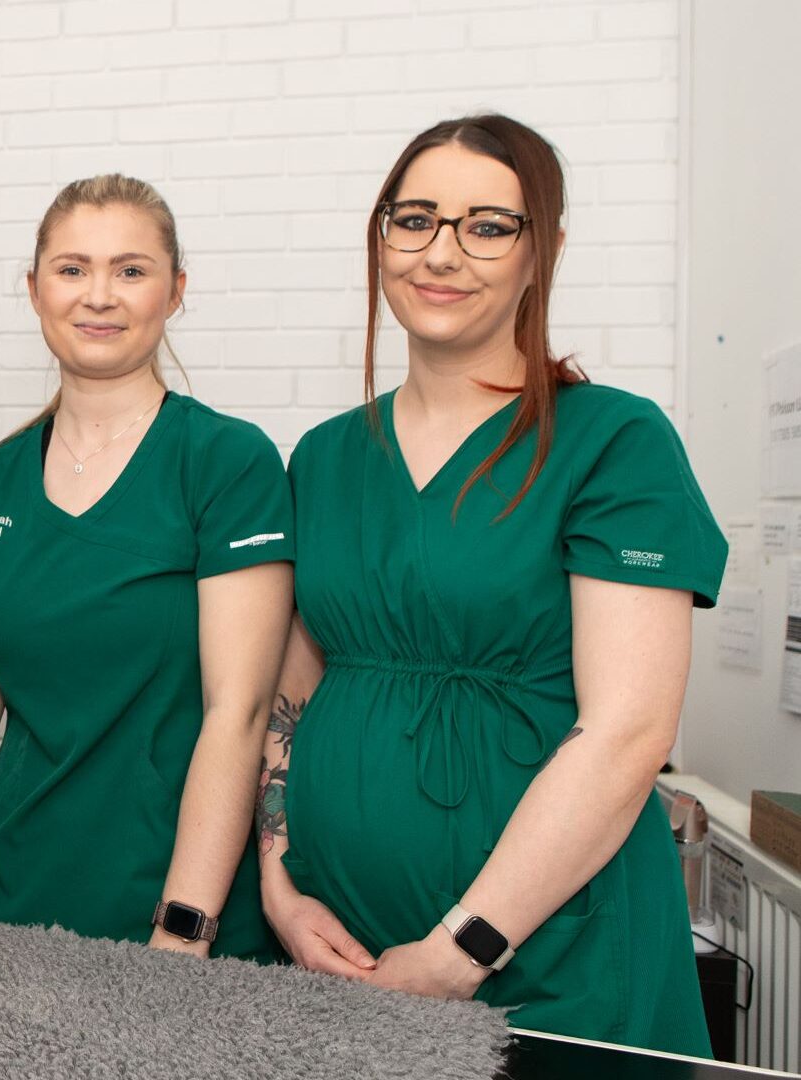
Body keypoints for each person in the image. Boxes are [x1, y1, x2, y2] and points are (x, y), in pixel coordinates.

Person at [258, 115, 726, 1054]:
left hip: (542, 958)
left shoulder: (613, 443)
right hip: (331, 946)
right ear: (381, 235)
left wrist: (460, 949)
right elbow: (292, 695)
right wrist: (280, 883)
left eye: (487, 226)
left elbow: (630, 730)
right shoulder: (325, 456)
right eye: (416, 219)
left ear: (539, 250)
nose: (443, 252)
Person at [0, 175, 293, 960]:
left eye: (131, 271)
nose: (98, 296)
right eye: (72, 269)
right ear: (35, 289)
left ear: (174, 293)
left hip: (173, 907)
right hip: (7, 896)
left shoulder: (227, 463)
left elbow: (238, 713)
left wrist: (184, 927)